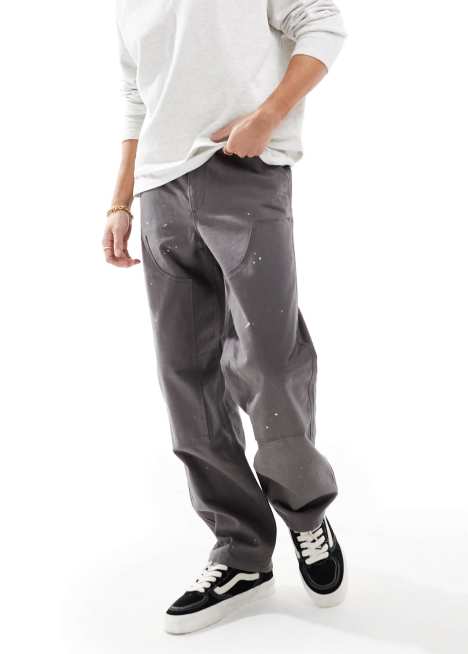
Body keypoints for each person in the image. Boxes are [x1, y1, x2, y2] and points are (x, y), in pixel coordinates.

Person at [103, 0, 347, 634]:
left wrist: (268, 117)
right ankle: (241, 553)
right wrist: (120, 201)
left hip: (243, 172)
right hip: (160, 192)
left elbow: (323, 24)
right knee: (185, 377)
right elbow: (136, 97)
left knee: (269, 359)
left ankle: (305, 513)